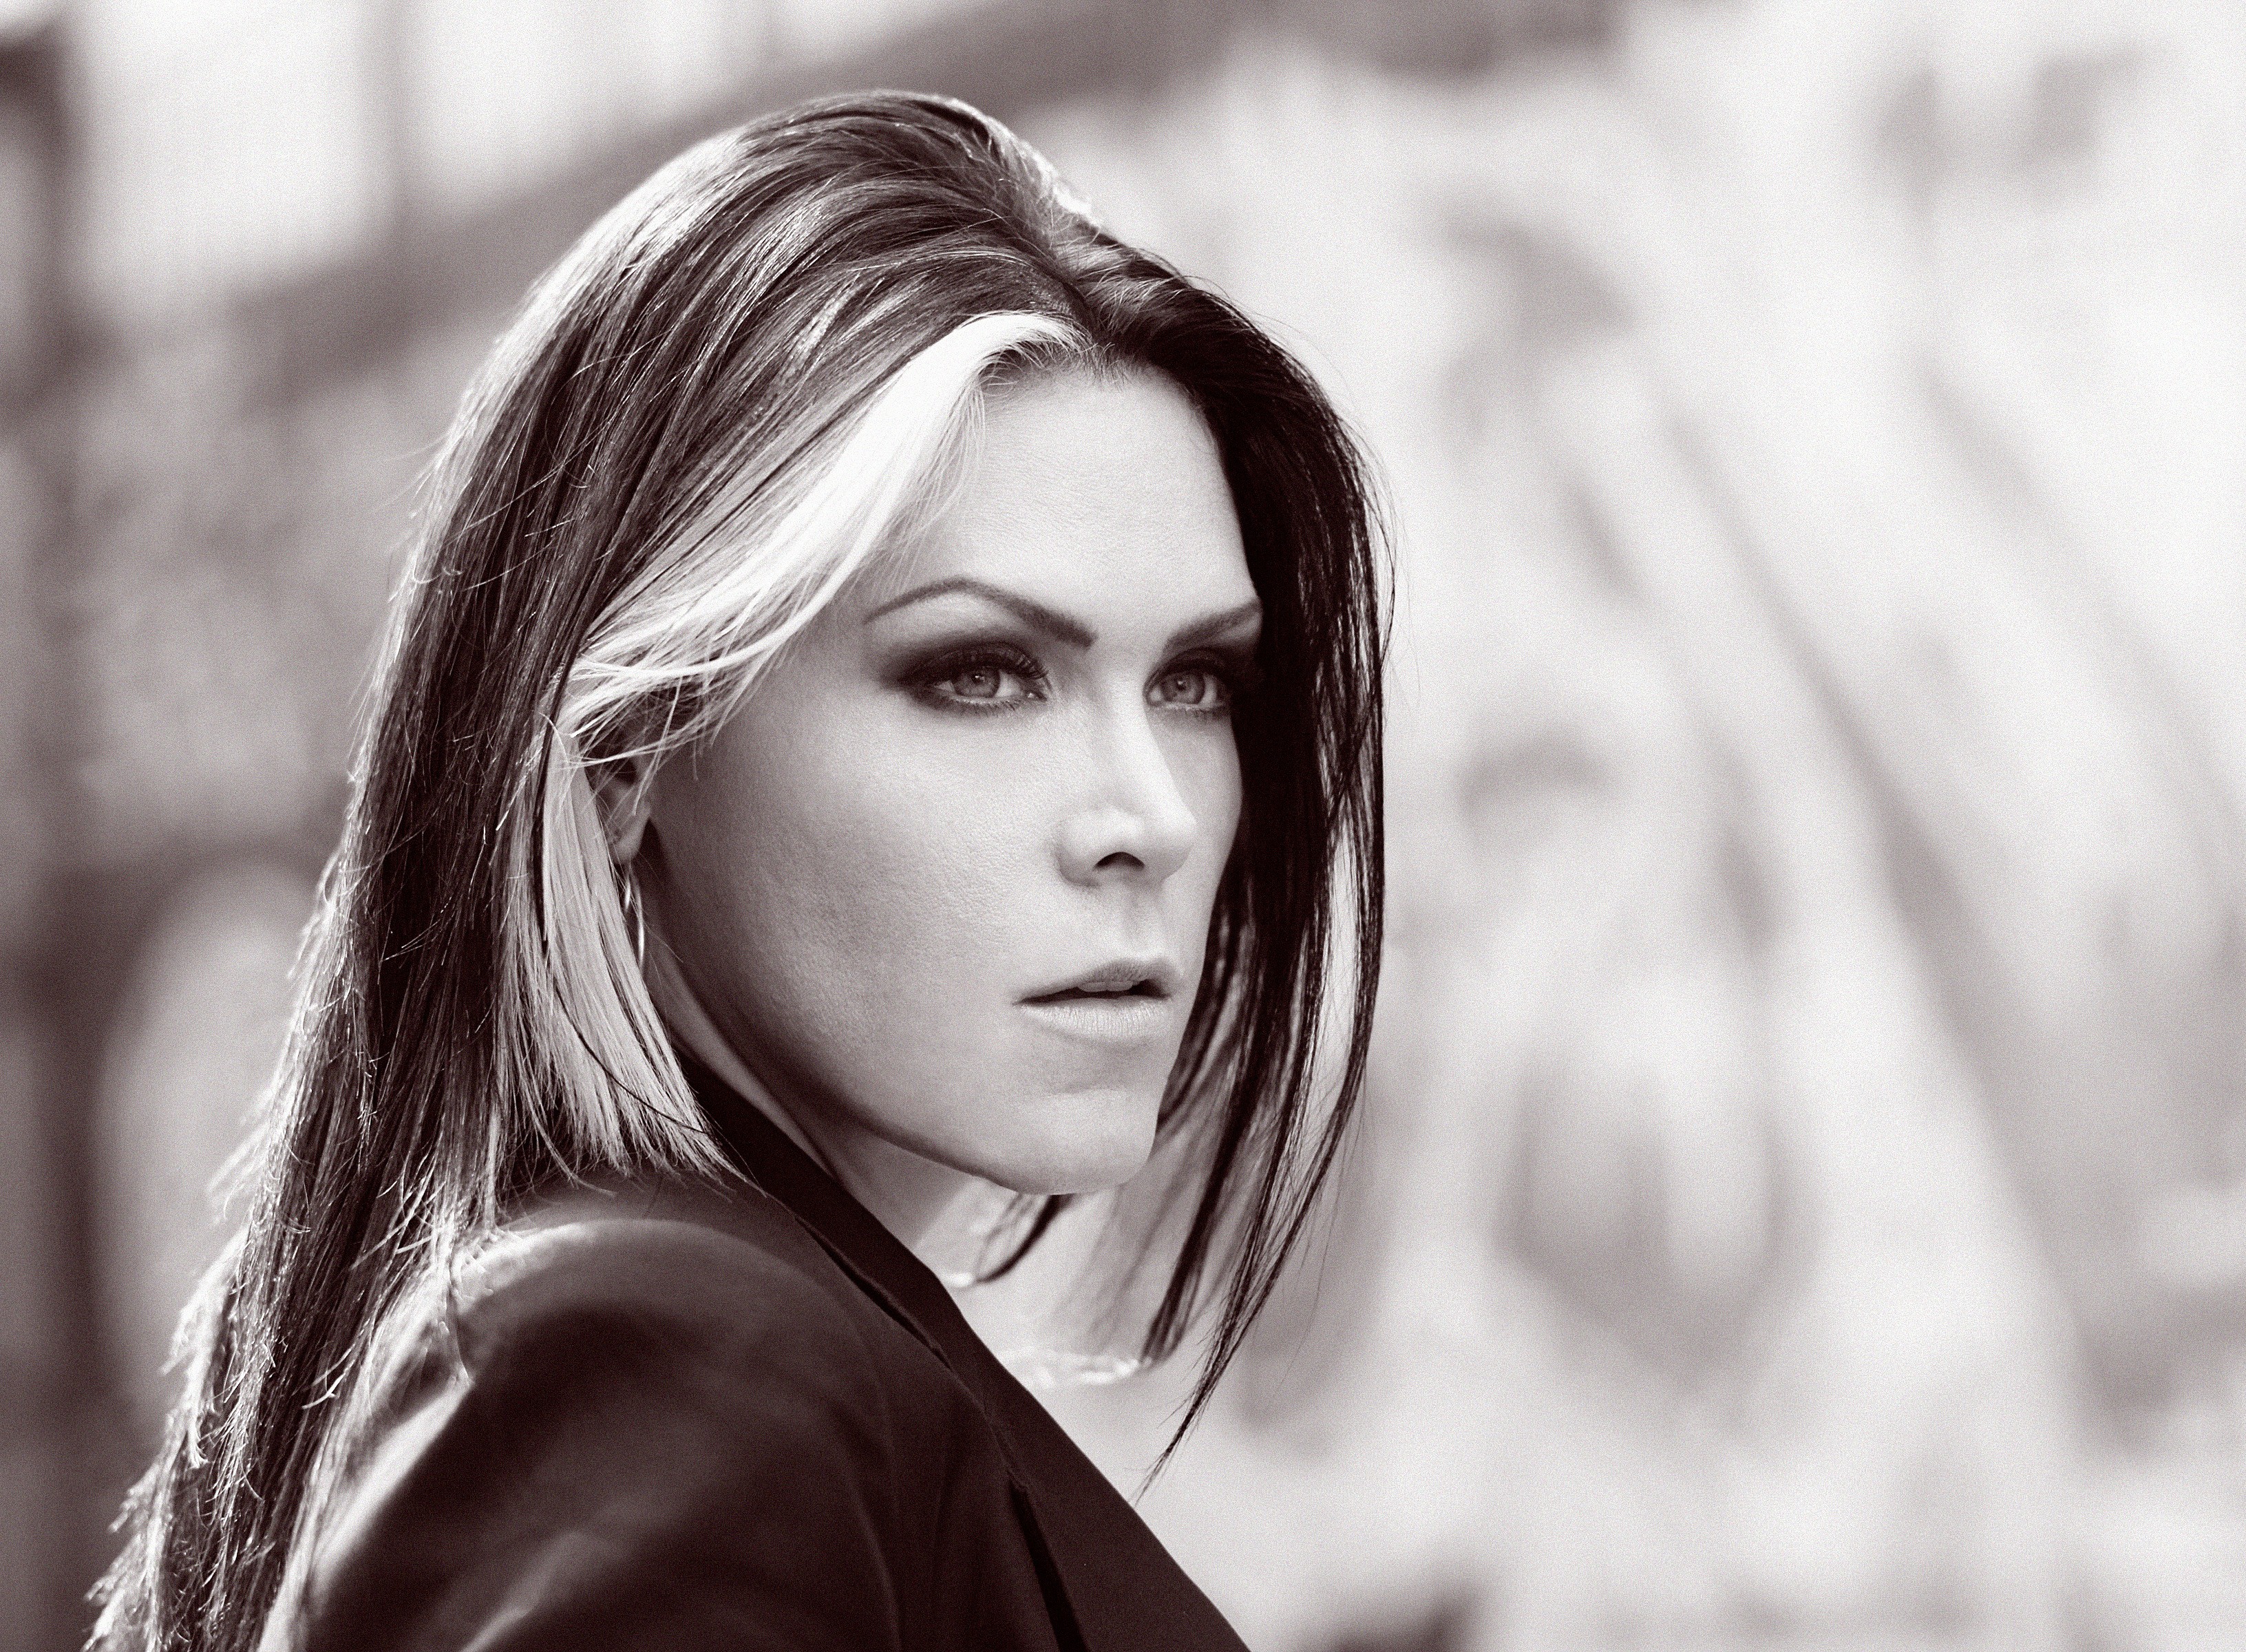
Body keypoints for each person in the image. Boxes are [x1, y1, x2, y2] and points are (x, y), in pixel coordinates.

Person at [94, 90, 1385, 1652]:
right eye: (979, 674)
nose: (1152, 817)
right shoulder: (666, 1365)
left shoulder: (730, 1349)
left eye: (1193, 681)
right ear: (625, 758)